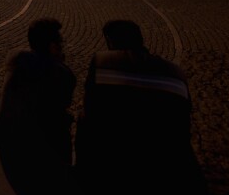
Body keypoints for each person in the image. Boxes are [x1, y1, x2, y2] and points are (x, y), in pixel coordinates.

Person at [76, 20, 207, 194]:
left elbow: (91, 107)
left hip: (118, 158)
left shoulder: (104, 61)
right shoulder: (176, 72)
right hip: (171, 159)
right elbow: (184, 123)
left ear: (110, 41)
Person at [0, 18, 76, 194]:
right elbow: (63, 104)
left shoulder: (16, 60)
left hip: (5, 138)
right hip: (37, 150)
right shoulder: (62, 74)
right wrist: (60, 63)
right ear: (53, 46)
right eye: (60, 42)